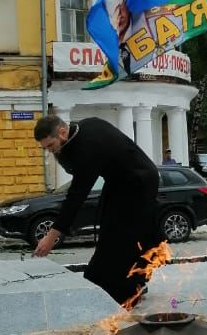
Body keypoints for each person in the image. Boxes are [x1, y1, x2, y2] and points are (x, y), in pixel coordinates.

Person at [33, 114, 161, 304]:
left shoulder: (87, 147)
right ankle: (132, 283)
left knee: (121, 239)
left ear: (62, 132)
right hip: (120, 183)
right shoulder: (85, 127)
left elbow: (76, 196)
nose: (51, 152)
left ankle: (128, 288)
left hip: (139, 184)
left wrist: (52, 236)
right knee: (112, 233)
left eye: (51, 146)